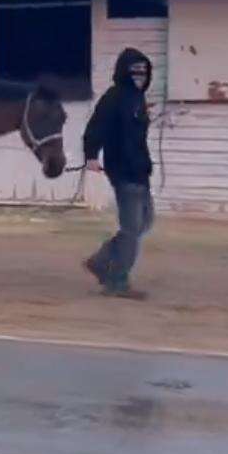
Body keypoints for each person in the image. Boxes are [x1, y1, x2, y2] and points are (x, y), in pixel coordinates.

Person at [82, 47, 154, 299]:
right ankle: (117, 280)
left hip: (140, 171)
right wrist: (91, 155)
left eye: (143, 71)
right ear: (124, 72)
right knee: (131, 228)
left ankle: (101, 261)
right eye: (134, 71)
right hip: (124, 171)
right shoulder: (114, 97)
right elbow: (95, 127)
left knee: (144, 223)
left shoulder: (137, 99)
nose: (139, 75)